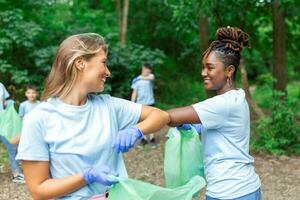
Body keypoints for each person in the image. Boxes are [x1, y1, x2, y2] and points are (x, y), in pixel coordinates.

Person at [16, 33, 169, 200]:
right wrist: (86, 176)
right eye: (103, 63)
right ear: (80, 63)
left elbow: (160, 115)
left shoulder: (109, 106)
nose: (108, 72)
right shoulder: (38, 119)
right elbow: (38, 191)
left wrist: (136, 130)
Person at [167, 27, 262, 200]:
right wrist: (197, 127)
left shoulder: (222, 104)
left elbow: (169, 116)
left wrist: (134, 120)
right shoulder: (237, 97)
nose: (203, 73)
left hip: (230, 193)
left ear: (229, 71)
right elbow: (221, 132)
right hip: (246, 188)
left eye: (210, 67)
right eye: (203, 67)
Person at [0, 82, 25, 183]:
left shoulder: (0, 85)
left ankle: (16, 174)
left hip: (3, 122)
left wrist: (11, 104)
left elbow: (5, 101)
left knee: (12, 146)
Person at [131, 64, 157, 148]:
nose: (149, 71)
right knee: (142, 122)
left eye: (150, 70)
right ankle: (144, 139)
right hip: (140, 104)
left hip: (150, 102)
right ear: (143, 69)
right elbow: (134, 92)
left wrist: (139, 78)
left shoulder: (150, 76)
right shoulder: (137, 81)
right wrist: (132, 103)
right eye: (147, 69)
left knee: (152, 121)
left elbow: (152, 78)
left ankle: (152, 138)